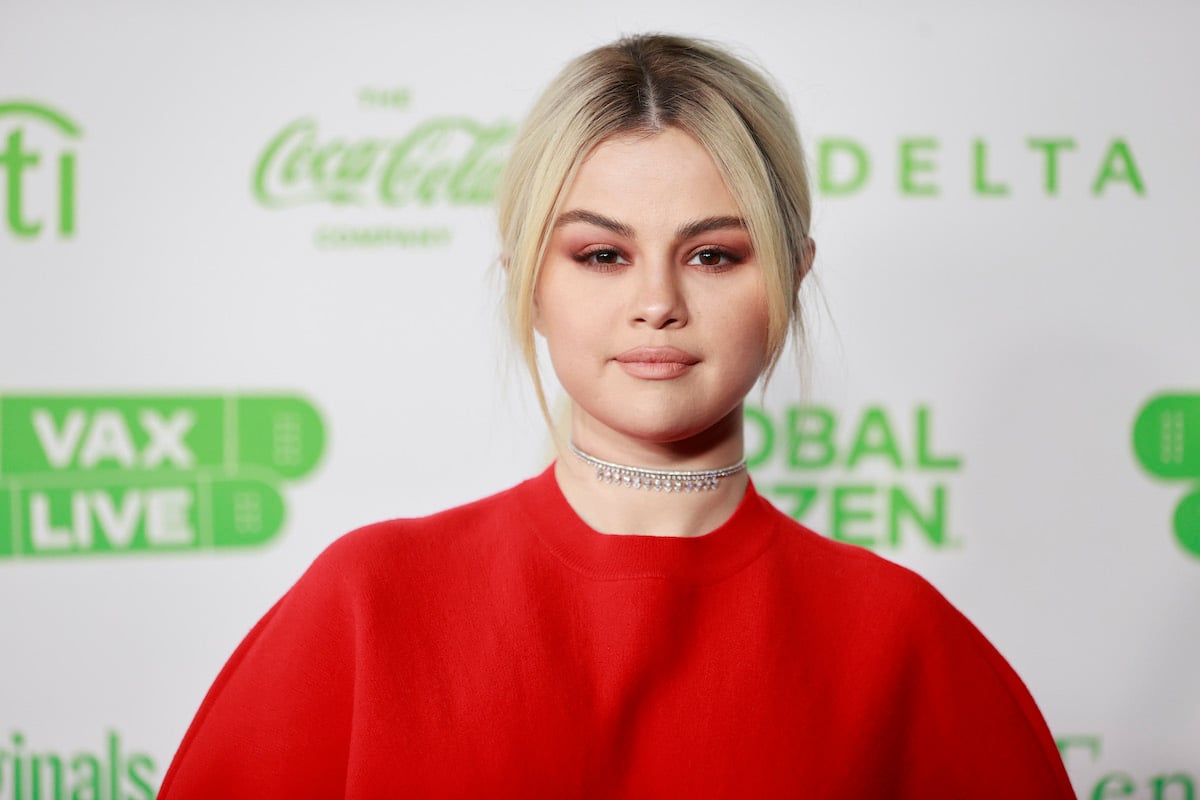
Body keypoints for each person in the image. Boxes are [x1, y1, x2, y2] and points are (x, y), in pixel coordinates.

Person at [159, 34, 1075, 798]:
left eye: (713, 255)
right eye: (601, 254)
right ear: (529, 279)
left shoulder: (903, 642)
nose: (656, 302)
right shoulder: (368, 605)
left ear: (792, 276)